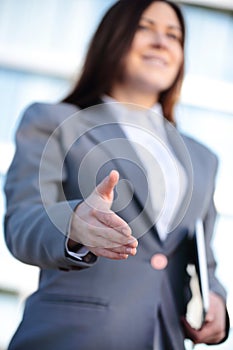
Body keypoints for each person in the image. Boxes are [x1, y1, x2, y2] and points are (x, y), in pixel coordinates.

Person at [4, 1, 230, 349]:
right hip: (73, 339)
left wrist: (216, 301)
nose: (161, 42)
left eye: (174, 35)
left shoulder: (202, 158)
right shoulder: (53, 122)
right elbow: (22, 221)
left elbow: (204, 259)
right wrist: (74, 224)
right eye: (145, 27)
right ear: (114, 37)